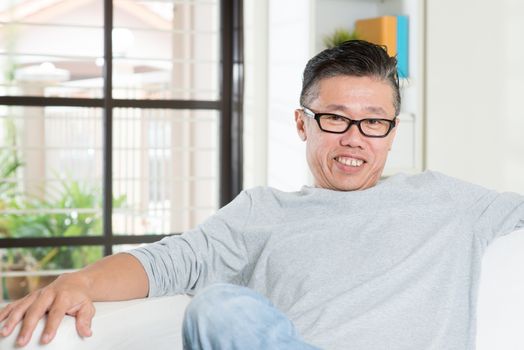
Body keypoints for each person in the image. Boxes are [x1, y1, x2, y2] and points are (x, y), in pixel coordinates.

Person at [1, 40, 523, 350]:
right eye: (336, 118)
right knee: (219, 308)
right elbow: (166, 263)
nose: (353, 139)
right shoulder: (262, 212)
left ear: (392, 131)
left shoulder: (449, 200)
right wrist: (79, 281)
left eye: (374, 123)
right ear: (303, 123)